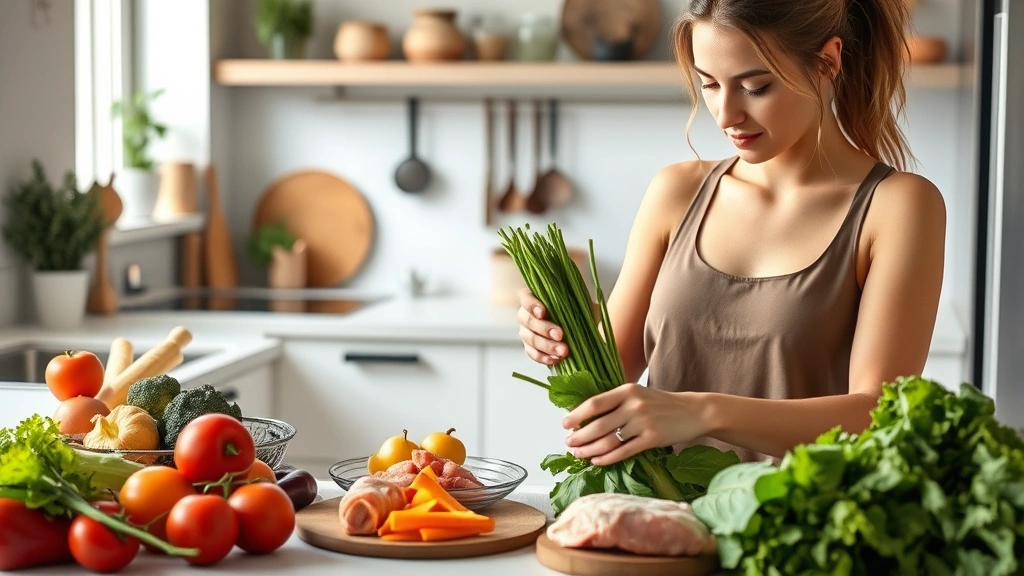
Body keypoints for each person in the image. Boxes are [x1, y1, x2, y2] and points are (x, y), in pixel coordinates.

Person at [516, 0, 946, 465]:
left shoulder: (897, 205)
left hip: (802, 507)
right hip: (656, 507)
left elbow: (877, 416)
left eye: (755, 87)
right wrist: (558, 332)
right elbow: (605, 383)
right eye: (709, 84)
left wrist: (703, 413)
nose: (725, 115)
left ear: (827, 62)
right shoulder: (676, 191)